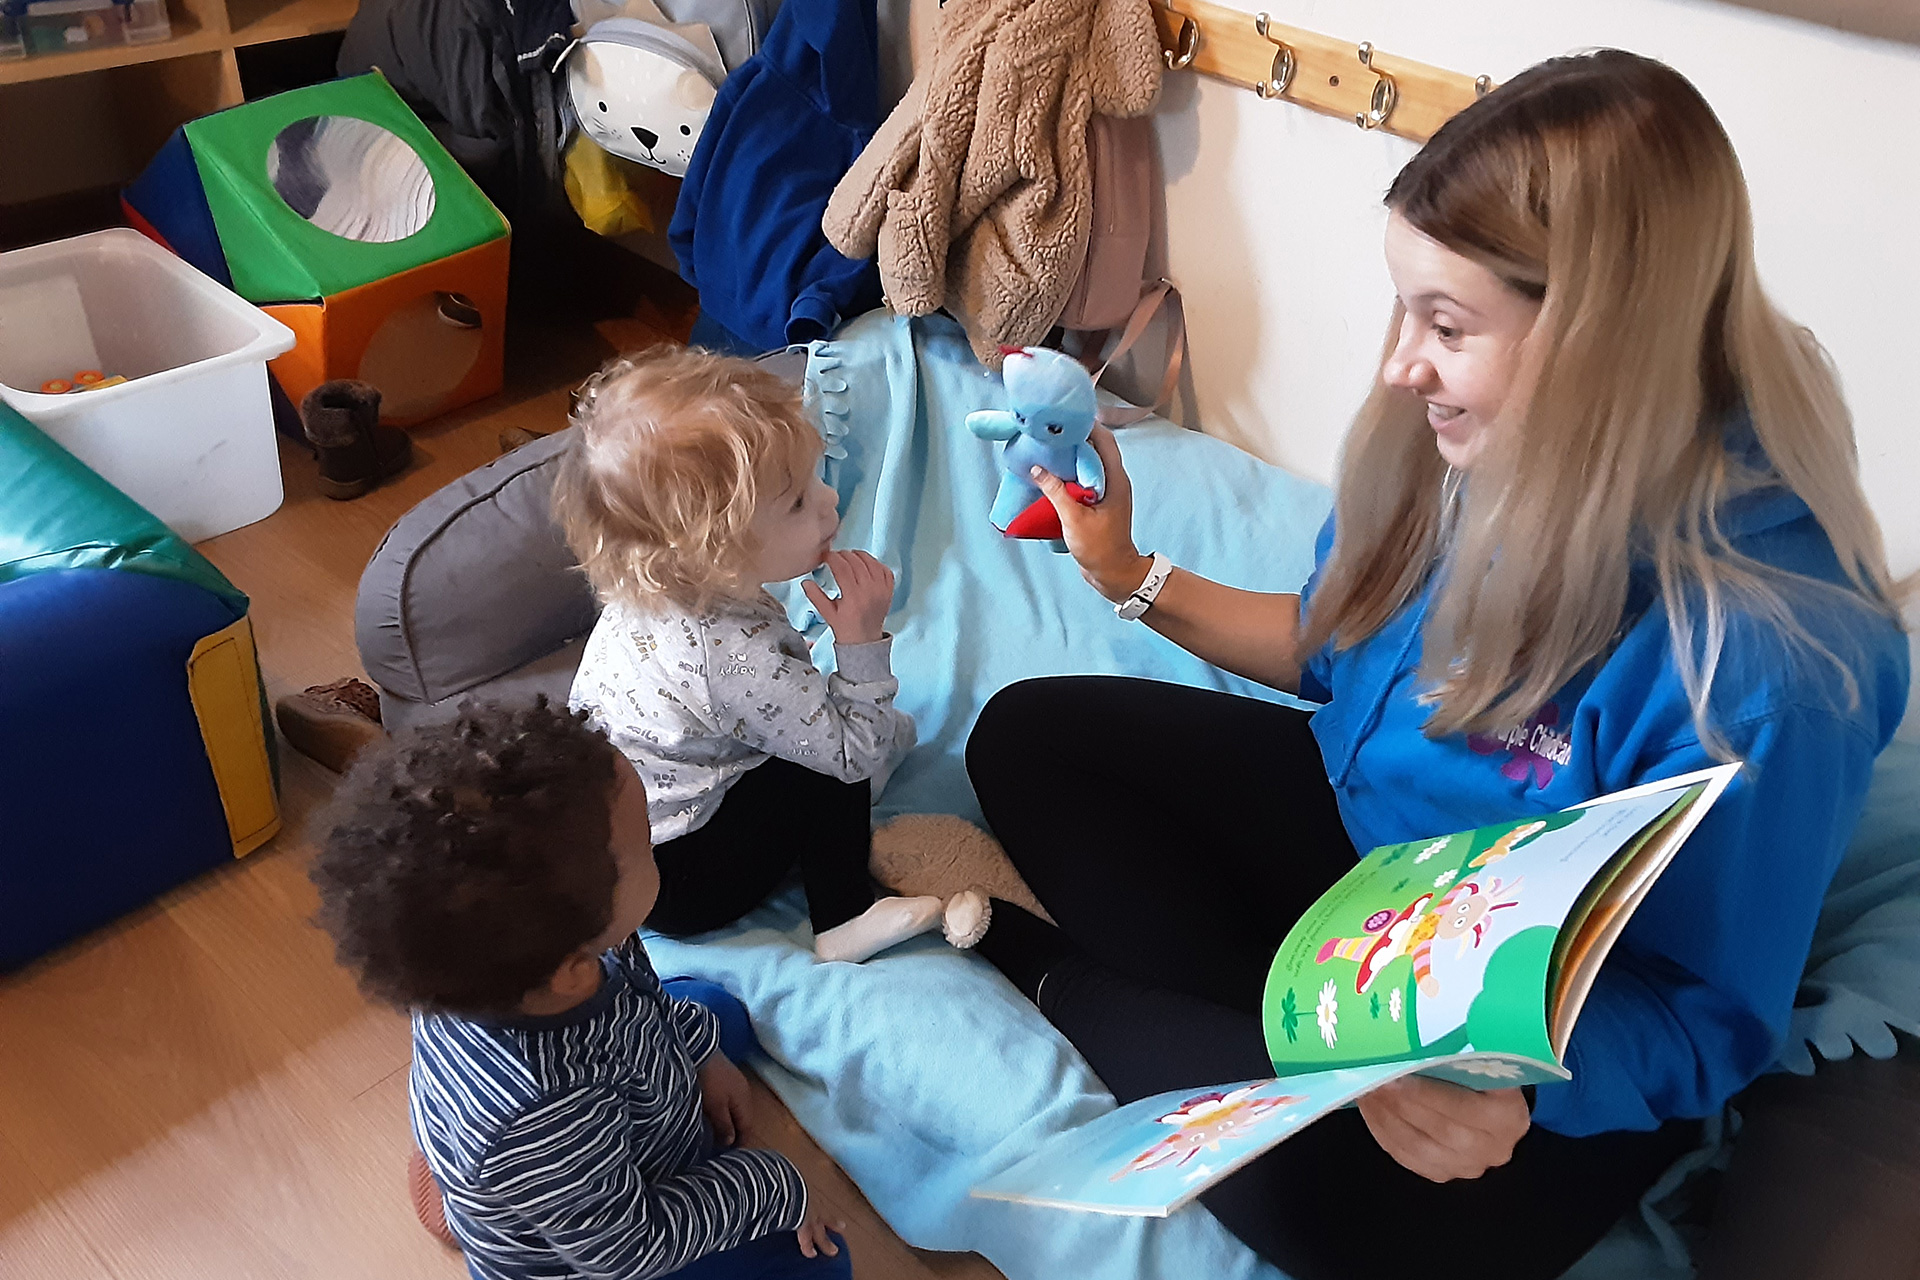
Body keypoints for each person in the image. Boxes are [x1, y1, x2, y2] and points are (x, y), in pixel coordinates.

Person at [960, 50, 1909, 1280]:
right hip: (1376, 879)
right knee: (1025, 737)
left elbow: (1696, 1009)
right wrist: (1129, 573)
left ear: (1600, 347)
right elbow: (1334, 647)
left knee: (1342, 1214)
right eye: (1406, 308)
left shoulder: (1770, 663)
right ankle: (1276, 1046)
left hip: (1541, 1016)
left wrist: (1473, 1078)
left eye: (1448, 325)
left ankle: (1046, 972)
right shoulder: (1453, 448)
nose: (1404, 364)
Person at [309, 698, 852, 1279]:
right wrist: (768, 1184)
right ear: (571, 968)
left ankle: (464, 1180)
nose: (659, 846)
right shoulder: (542, 1104)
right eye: (648, 844)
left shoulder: (513, 950)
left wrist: (700, 1054)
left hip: (596, 1124)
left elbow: (643, 997)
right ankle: (474, 1193)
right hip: (596, 1245)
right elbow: (629, 1248)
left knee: (715, 1013)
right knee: (824, 1266)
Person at [552, 345, 987, 964]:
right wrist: (861, 643)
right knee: (828, 762)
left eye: (814, 479)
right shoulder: (735, 658)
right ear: (713, 555)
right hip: (685, 882)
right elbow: (849, 751)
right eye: (798, 503)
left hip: (619, 853)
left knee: (823, 742)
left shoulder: (650, 588)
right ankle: (844, 915)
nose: (831, 503)